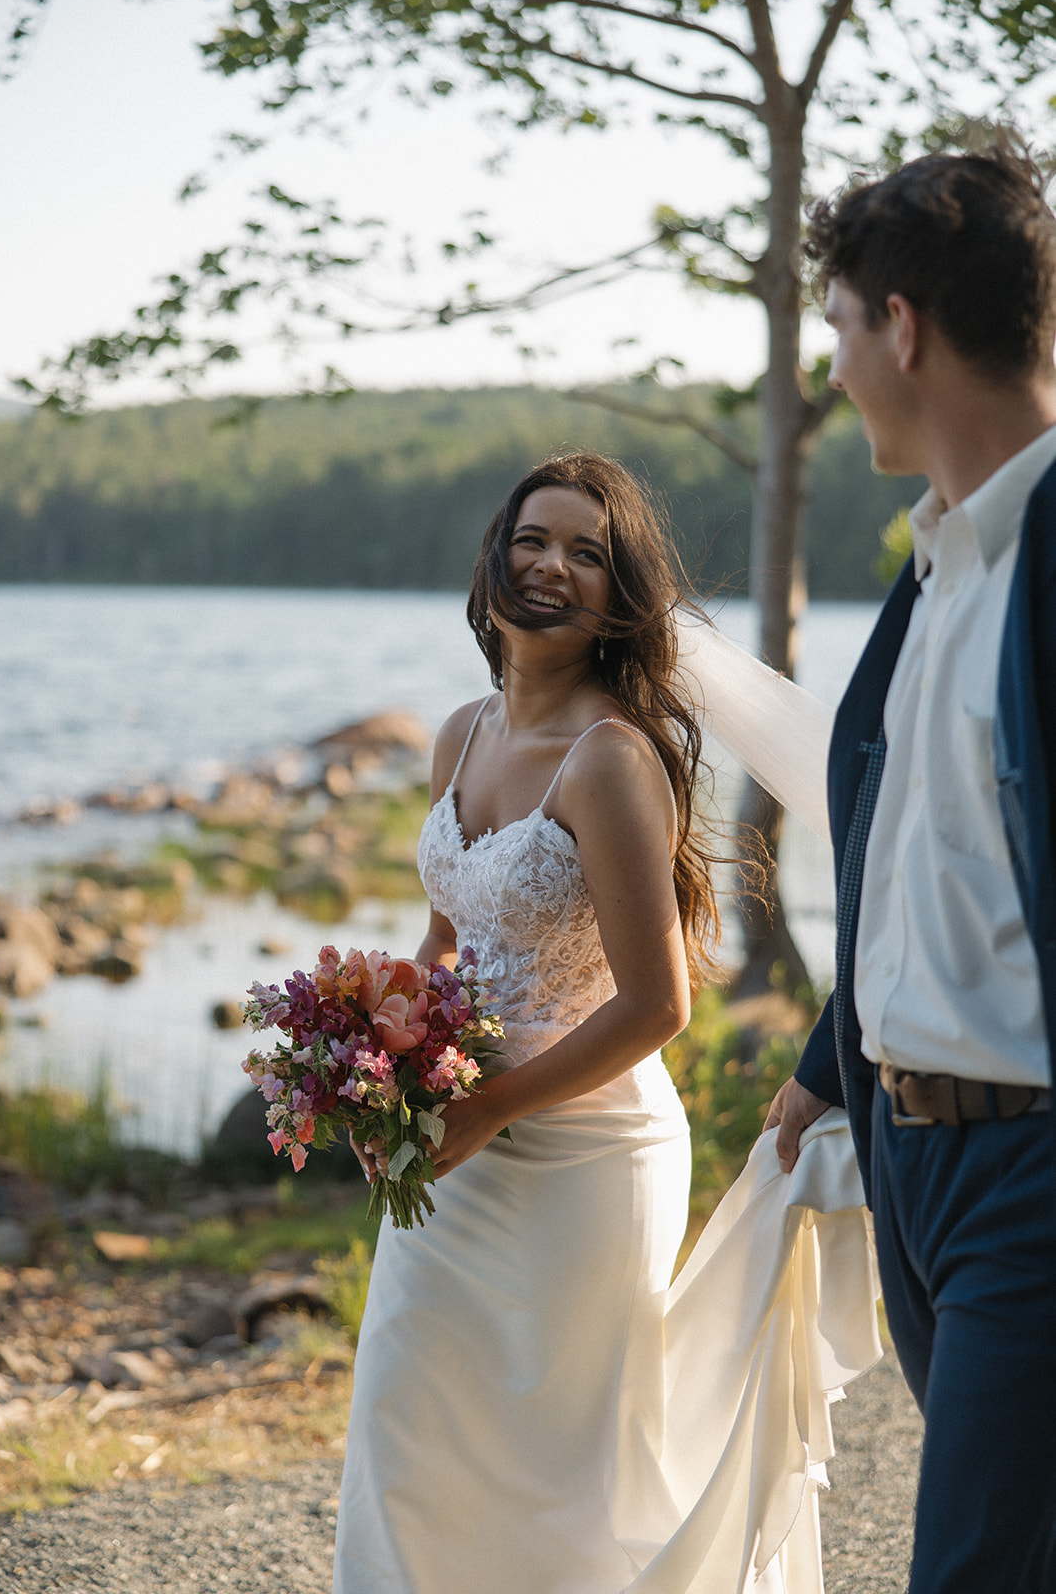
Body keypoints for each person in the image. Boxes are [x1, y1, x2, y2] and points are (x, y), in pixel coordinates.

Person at [331, 453, 878, 1594]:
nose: (552, 566)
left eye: (587, 553)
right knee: (401, 1414)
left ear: (615, 598)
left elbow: (657, 1002)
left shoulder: (611, 761)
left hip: (584, 1155)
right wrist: (365, 1060)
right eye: (534, 539)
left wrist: (484, 1104)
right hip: (455, 1143)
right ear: (494, 556)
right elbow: (446, 945)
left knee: (562, 1469)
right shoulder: (458, 737)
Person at [755, 144, 1056, 1594]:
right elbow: (916, 866)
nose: (831, 363)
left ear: (900, 327)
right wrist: (824, 1069)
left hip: (1032, 1174)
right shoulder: (933, 567)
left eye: (832, 326)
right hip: (908, 1163)